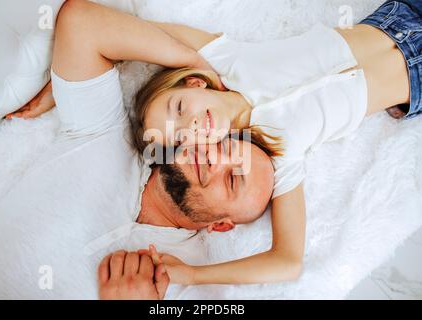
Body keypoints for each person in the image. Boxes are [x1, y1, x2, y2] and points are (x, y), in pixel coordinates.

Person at [0, 0, 274, 299]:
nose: (212, 156)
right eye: (223, 145)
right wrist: (196, 63)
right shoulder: (106, 136)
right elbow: (81, 23)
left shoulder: (189, 280)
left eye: (232, 178)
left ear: (220, 226)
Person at [130, 0, 421, 286]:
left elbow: (143, 32)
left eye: (179, 108)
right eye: (181, 138)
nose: (190, 125)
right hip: (415, 79)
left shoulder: (228, 59)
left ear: (194, 82)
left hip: (399, 16)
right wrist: (194, 275)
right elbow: (287, 261)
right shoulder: (271, 155)